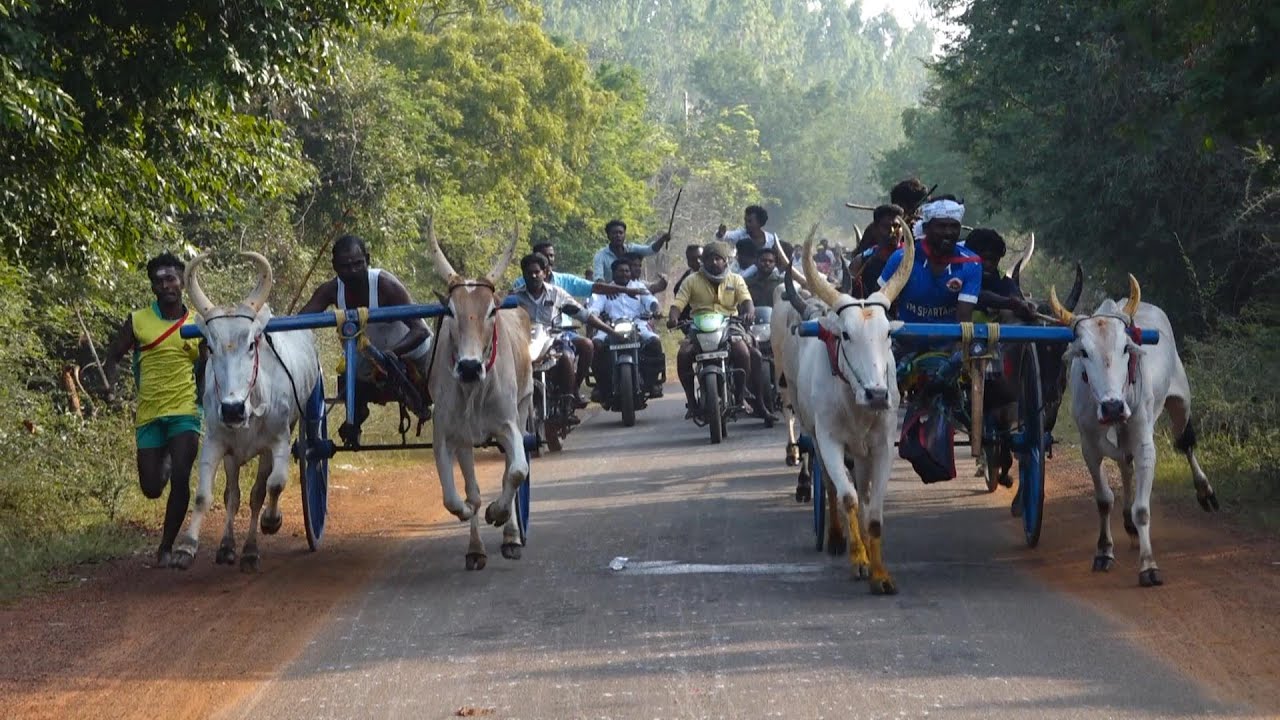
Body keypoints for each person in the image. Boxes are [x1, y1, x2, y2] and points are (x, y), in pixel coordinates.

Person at [102, 252, 205, 568]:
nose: (165, 286)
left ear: (182, 282)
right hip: (149, 414)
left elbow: (208, 364)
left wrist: (202, 402)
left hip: (185, 412)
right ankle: (168, 460)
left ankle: (166, 546)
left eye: (171, 279)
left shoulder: (198, 323)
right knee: (151, 487)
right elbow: (113, 356)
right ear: (152, 287)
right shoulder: (138, 321)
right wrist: (109, 385)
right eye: (158, 281)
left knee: (181, 478)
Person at [297, 235, 434, 447]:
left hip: (413, 352)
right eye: (345, 266)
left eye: (358, 264)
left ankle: (421, 405)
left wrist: (393, 354)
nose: (352, 271)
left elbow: (421, 331)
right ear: (334, 267)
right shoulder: (330, 290)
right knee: (348, 373)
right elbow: (301, 323)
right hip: (371, 357)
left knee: (431, 382)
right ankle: (356, 416)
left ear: (367, 260)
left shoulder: (385, 285)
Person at [666, 240, 775, 425]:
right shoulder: (691, 280)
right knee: (683, 355)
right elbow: (678, 304)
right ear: (703, 261)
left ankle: (744, 396)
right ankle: (691, 402)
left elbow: (747, 301)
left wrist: (749, 312)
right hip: (698, 326)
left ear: (726, 261)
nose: (714, 262)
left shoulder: (735, 279)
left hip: (730, 324)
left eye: (718, 258)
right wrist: (673, 317)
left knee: (746, 353)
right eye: (710, 258)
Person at [514, 253, 621, 406]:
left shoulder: (556, 293)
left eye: (537, 272)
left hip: (553, 338)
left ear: (544, 273)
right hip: (525, 341)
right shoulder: (515, 297)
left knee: (569, 354)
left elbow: (584, 315)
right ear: (523, 275)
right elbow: (498, 314)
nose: (533, 276)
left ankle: (571, 395)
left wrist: (611, 331)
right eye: (529, 273)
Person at [879, 197, 982, 328]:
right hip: (904, 337)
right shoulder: (901, 258)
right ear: (926, 228)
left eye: (954, 226)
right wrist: (892, 329)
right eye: (941, 226)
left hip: (949, 339)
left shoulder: (971, 263)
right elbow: (878, 306)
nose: (948, 232)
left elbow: (963, 319)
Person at [587, 258, 666, 399]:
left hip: (637, 324)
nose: (624, 274)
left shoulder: (639, 287)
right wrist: (593, 314)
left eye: (627, 271)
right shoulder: (605, 290)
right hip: (610, 326)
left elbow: (651, 301)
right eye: (620, 271)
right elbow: (595, 307)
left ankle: (652, 382)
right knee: (596, 344)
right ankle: (601, 385)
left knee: (654, 342)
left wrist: (655, 309)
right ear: (613, 273)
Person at [513, 241, 650, 301]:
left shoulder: (564, 282)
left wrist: (625, 290)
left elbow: (594, 287)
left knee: (587, 345)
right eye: (544, 255)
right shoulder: (519, 286)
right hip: (529, 333)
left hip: (562, 332)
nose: (548, 259)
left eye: (551, 255)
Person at [962, 229, 1038, 322]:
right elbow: (977, 295)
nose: (988, 264)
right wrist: (1008, 303)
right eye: (983, 258)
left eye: (994, 259)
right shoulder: (956, 276)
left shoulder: (1004, 282)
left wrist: (1025, 307)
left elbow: (1016, 298)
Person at [719, 205, 793, 274]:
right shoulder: (740, 234)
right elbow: (724, 236)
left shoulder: (771, 240)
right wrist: (720, 234)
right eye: (745, 221)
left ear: (759, 223)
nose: (746, 224)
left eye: (750, 221)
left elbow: (785, 252)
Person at [591, 219, 671, 283]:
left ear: (624, 235)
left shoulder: (631, 248)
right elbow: (598, 279)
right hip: (610, 294)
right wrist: (609, 290)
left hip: (631, 290)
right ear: (608, 236)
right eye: (614, 233)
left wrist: (662, 239)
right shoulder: (601, 255)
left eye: (621, 233)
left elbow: (650, 250)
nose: (618, 235)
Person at [853, 204, 906, 297]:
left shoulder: (913, 257)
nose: (893, 231)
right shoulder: (860, 261)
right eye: (886, 226)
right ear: (875, 229)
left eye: (896, 226)